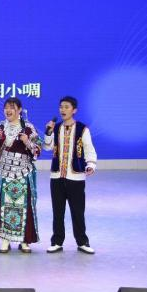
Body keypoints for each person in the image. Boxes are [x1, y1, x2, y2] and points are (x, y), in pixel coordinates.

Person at [43, 96, 97, 254]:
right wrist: (48, 132)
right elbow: (47, 147)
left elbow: (89, 148)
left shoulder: (82, 129)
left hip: (76, 177)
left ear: (74, 110)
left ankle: (82, 242)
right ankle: (57, 241)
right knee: (57, 212)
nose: (63, 110)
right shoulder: (56, 128)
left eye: (66, 107)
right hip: (57, 177)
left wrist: (91, 164)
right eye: (61, 107)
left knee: (78, 212)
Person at [0, 97, 41, 254]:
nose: (8, 110)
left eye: (12, 107)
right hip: (4, 172)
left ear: (19, 110)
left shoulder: (28, 128)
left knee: (24, 206)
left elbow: (37, 149)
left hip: (23, 172)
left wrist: (27, 142)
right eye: (6, 107)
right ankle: (5, 239)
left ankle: (25, 240)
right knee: (4, 205)